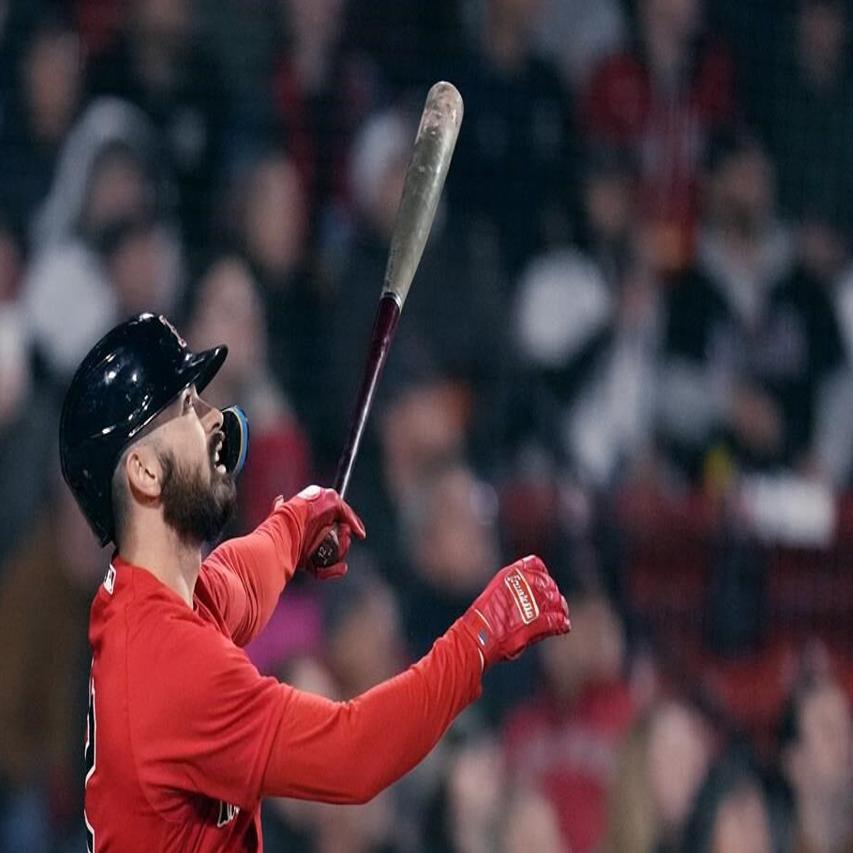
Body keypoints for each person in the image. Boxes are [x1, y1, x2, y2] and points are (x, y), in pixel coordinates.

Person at [58, 312, 571, 851]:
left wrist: (298, 520)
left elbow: (241, 577)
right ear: (145, 472)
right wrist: (480, 637)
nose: (217, 418)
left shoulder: (152, 601)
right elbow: (353, 756)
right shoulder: (169, 663)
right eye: (188, 407)